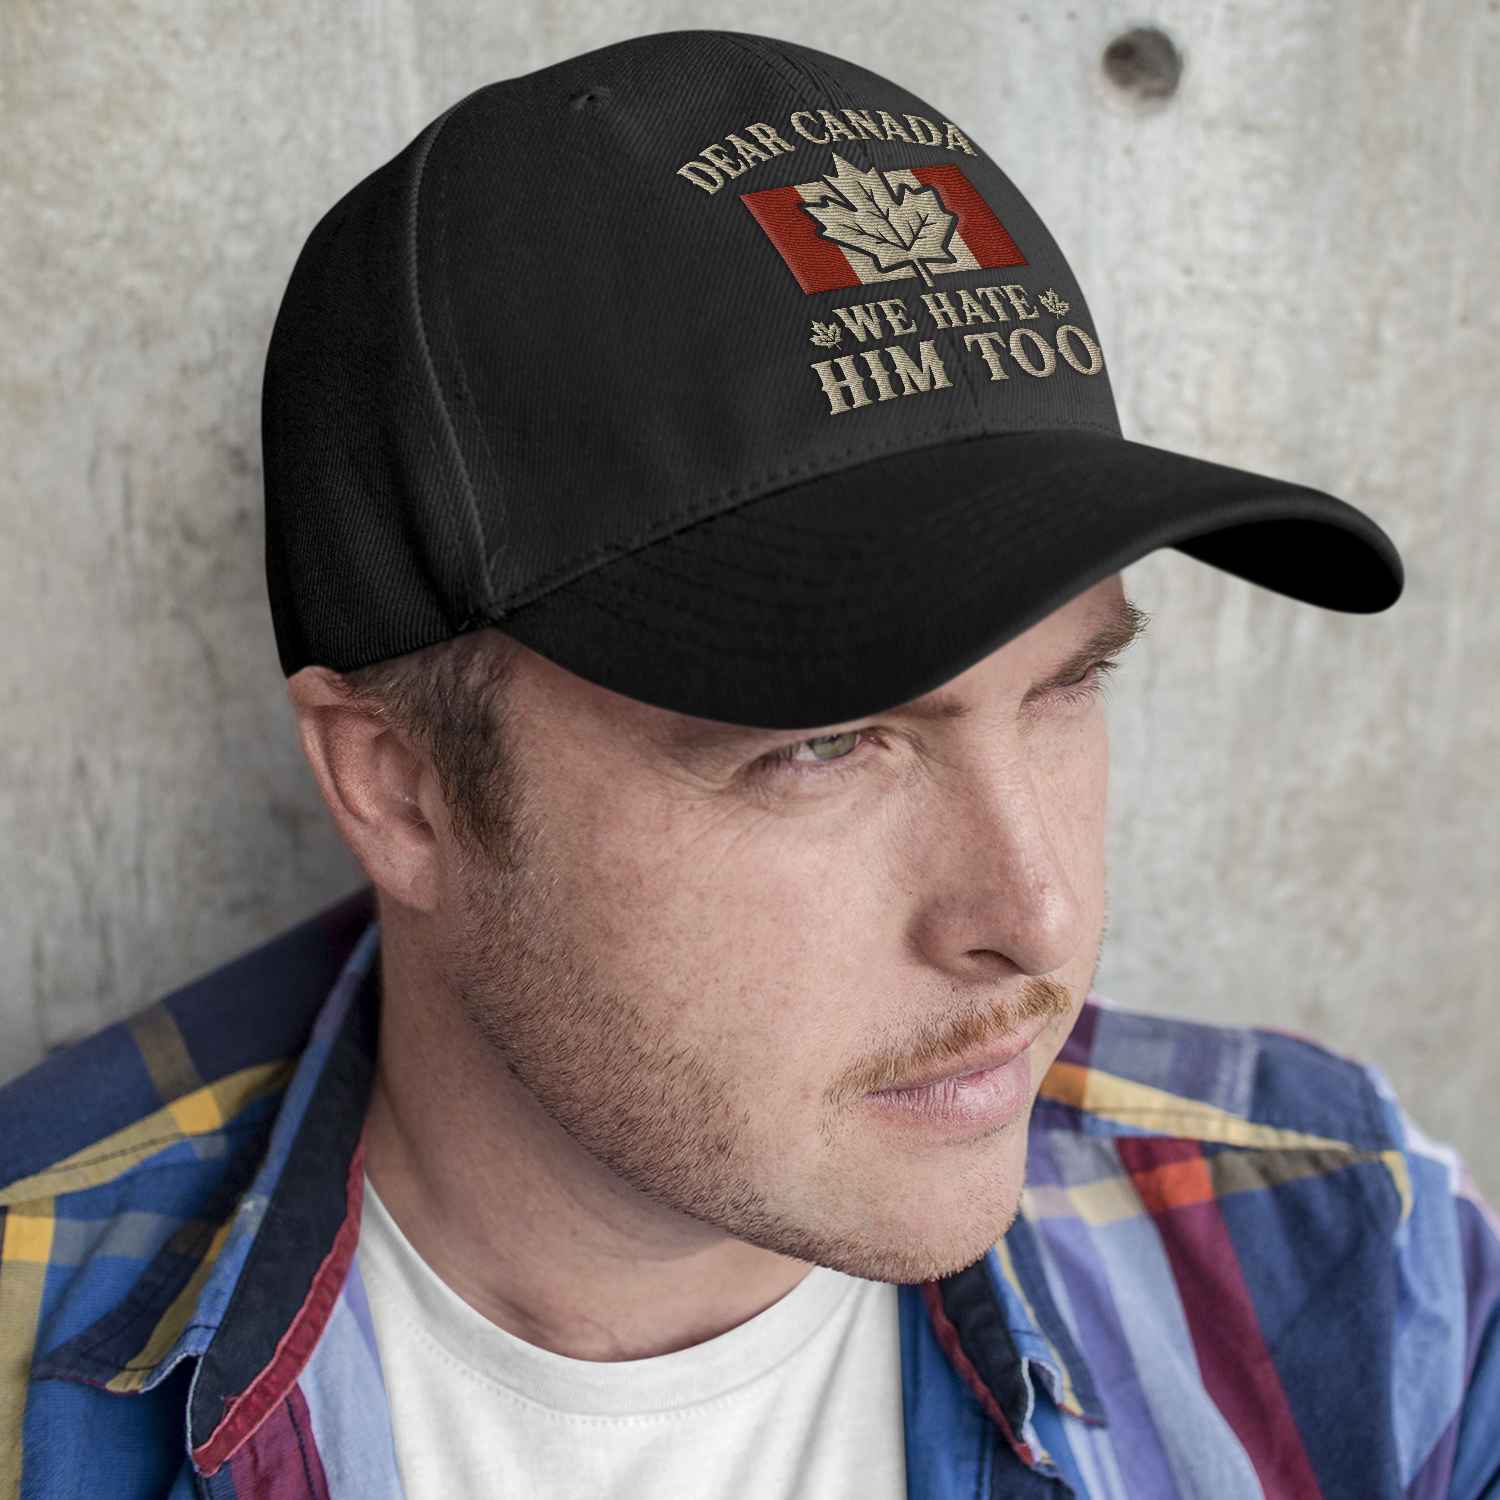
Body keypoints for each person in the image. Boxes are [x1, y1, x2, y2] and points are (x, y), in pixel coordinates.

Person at [2, 27, 1495, 1500]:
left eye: (1067, 686)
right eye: (827, 744)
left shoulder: (1354, 1266)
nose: (1034, 918)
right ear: (399, 787)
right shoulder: (31, 1360)